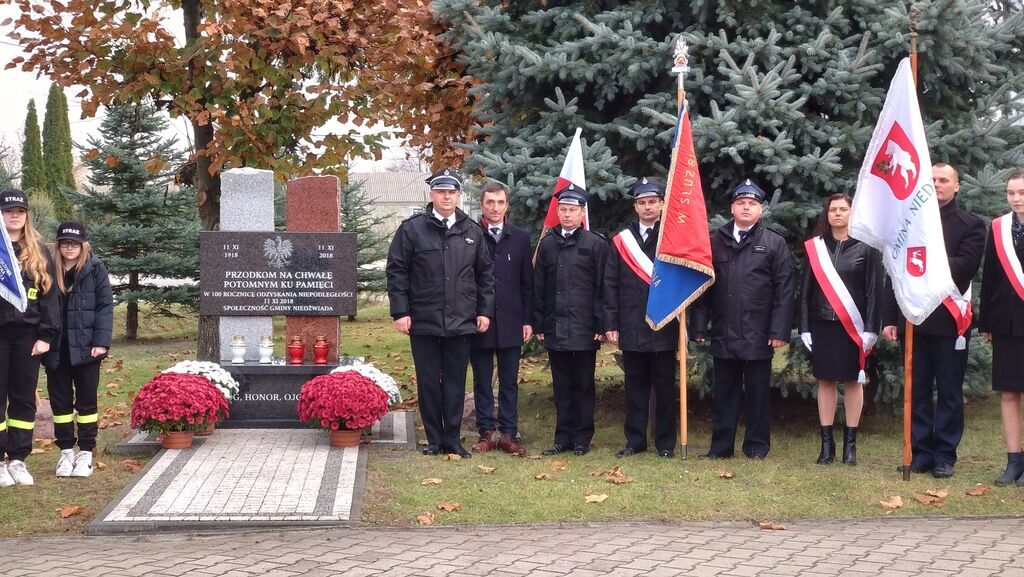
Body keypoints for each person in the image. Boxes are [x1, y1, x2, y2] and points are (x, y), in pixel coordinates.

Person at [882, 162, 985, 479]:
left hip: (950, 321)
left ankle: (944, 455)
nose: (938, 184)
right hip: (914, 319)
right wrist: (890, 317)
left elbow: (964, 268)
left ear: (956, 186)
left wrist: (925, 259)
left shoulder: (971, 225)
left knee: (950, 392)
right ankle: (922, 452)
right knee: (918, 389)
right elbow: (894, 272)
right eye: (933, 179)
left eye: (944, 180)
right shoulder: (910, 221)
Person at [386, 168, 495, 458]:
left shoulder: (472, 231)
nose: (447, 197)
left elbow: (485, 275)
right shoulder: (412, 229)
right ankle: (434, 439)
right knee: (429, 381)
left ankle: (453, 439)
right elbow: (397, 272)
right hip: (424, 319)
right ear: (431, 194)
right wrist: (400, 311)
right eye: (441, 191)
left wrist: (484, 312)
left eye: (452, 192)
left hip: (461, 320)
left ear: (458, 195)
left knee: (456, 383)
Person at [690, 179, 795, 459]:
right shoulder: (714, 241)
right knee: (724, 392)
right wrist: (698, 326)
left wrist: (779, 330)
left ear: (760, 210)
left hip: (759, 332)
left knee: (758, 393)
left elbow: (785, 291)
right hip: (724, 330)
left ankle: (757, 447)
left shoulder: (774, 243)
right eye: (741, 203)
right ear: (732, 208)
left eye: (752, 204)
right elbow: (702, 286)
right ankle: (720, 448)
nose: (746, 208)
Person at [798, 194, 882, 466]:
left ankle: (850, 445)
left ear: (851, 213)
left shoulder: (867, 247)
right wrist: (805, 327)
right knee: (825, 380)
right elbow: (805, 291)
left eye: (843, 209)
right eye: (832, 209)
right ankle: (826, 445)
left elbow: (873, 291)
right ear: (827, 214)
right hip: (822, 324)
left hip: (853, 327)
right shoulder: (815, 247)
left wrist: (871, 328)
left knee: (853, 380)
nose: (837, 214)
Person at [604, 177, 678, 458]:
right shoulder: (622, 241)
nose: (647, 207)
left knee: (663, 387)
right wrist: (610, 323)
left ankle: (665, 443)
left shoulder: (672, 238)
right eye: (642, 202)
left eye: (652, 202)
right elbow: (610, 284)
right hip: (631, 323)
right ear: (635, 207)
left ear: (661, 204)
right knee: (635, 386)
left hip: (664, 323)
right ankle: (634, 441)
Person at [534, 185, 608, 456]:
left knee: (583, 386)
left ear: (581, 213)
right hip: (555, 328)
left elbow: (603, 288)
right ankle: (562, 437)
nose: (567, 214)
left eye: (572, 210)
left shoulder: (596, 244)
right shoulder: (547, 244)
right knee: (561, 386)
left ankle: (582, 438)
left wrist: (601, 325)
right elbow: (538, 286)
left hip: (584, 329)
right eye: (563, 209)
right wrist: (539, 323)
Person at [42, 221, 113, 478]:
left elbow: (105, 307)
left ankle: (85, 451)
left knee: (86, 400)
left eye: (74, 243)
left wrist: (101, 342)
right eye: (64, 243)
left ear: (83, 245)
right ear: (58, 245)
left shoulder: (95, 268)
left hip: (87, 349)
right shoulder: (48, 269)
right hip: (57, 349)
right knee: (60, 402)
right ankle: (65, 451)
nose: (69, 248)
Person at [0, 189, 59, 487]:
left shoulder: (38, 250)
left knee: (23, 399)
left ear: (26, 216)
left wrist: (46, 336)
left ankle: (19, 458)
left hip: (27, 337)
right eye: (8, 210)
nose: (14, 215)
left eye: (19, 211)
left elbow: (49, 298)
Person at [469, 181, 532, 456]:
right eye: (490, 202)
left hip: (511, 319)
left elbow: (526, 283)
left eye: (500, 203)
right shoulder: (470, 234)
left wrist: (528, 319)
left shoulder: (520, 237)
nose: (495, 208)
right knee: (482, 380)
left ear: (507, 206)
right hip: (479, 320)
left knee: (509, 380)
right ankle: (485, 431)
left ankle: (508, 432)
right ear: (482, 205)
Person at [978, 169, 1024, 485]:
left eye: (1022, 192)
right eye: (1011, 193)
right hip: (1007, 322)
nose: (1017, 198)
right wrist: (987, 322)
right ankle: (1014, 461)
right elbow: (991, 276)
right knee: (1009, 392)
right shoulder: (998, 228)